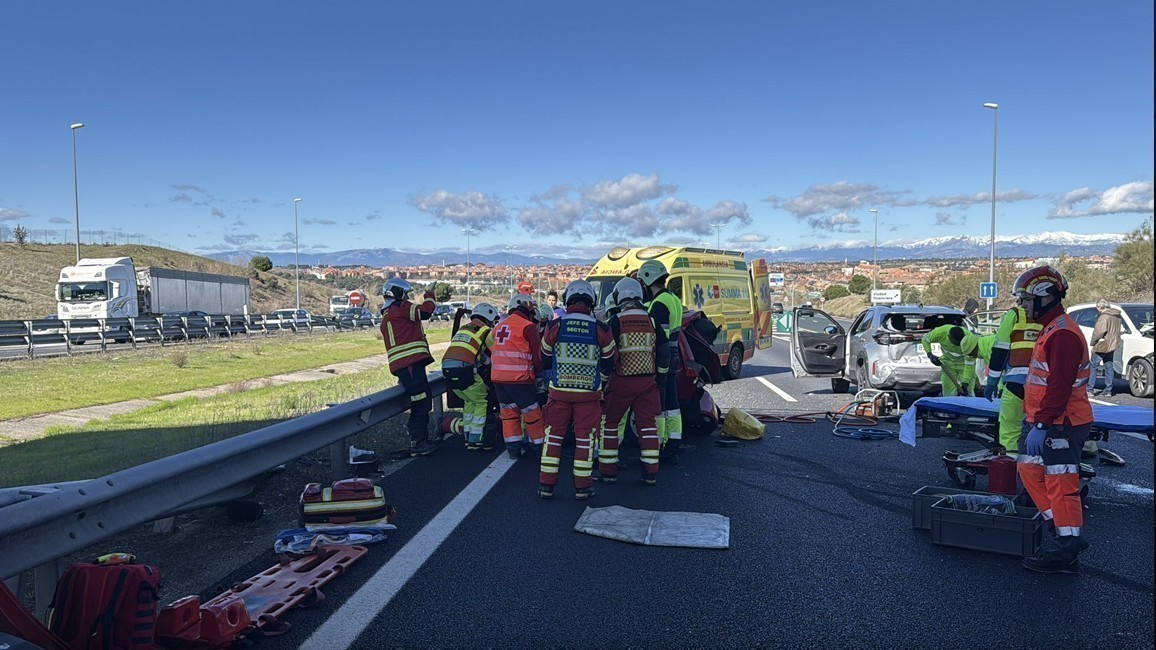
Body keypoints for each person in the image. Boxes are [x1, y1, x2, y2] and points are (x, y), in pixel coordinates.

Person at [1013, 266, 1093, 574]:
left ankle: (1067, 549)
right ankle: (1060, 530)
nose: (1022, 305)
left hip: (1062, 422)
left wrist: (1043, 424)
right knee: (1029, 470)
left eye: (1026, 299)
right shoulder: (1052, 328)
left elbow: (1059, 386)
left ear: (1045, 297)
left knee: (1061, 483)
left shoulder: (1061, 333)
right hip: (1044, 421)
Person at [537, 281, 616, 499]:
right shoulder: (601, 328)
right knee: (585, 440)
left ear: (567, 300)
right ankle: (582, 487)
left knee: (553, 437)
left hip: (558, 393)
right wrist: (600, 381)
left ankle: (546, 486)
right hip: (589, 397)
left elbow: (543, 358)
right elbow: (610, 361)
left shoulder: (555, 326)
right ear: (591, 302)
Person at [599, 277, 669, 486]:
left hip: (621, 381)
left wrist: (603, 383)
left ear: (619, 296)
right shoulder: (652, 320)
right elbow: (664, 353)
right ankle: (650, 472)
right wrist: (661, 379)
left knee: (610, 425)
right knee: (647, 427)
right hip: (648, 383)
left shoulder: (616, 321)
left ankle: (608, 471)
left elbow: (609, 354)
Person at [380, 278, 438, 457]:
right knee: (421, 401)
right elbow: (426, 312)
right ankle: (418, 442)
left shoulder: (388, 313)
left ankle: (422, 440)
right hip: (410, 363)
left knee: (420, 399)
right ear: (397, 293)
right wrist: (429, 294)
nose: (407, 297)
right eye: (405, 294)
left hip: (404, 365)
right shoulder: (402, 307)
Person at [487, 293, 547, 459]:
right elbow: (537, 356)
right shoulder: (528, 327)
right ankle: (539, 447)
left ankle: (513, 448)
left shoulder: (498, 326)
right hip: (520, 378)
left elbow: (493, 348)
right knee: (532, 413)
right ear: (530, 311)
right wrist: (539, 376)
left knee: (508, 413)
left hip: (498, 378)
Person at [638, 259, 683, 463]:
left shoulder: (659, 304)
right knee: (672, 403)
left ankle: (658, 443)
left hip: (662, 358)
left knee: (659, 404)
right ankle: (674, 442)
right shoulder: (672, 298)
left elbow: (660, 339)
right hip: (674, 355)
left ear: (648, 279)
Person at [983, 300, 1043, 455]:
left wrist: (992, 383)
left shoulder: (1014, 315)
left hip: (1016, 384)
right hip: (1043, 387)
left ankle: (1010, 471)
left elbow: (1000, 351)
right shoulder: (1052, 317)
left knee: (1010, 433)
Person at [441, 303, 500, 451]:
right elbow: (495, 350)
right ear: (489, 318)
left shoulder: (463, 329)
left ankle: (467, 437)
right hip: (464, 369)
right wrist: (493, 364)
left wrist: (485, 362)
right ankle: (475, 439)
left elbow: (475, 352)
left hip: (447, 368)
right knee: (481, 401)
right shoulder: (485, 330)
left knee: (469, 401)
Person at [921, 323, 977, 397]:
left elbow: (970, 364)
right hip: (948, 364)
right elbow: (925, 339)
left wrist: (965, 383)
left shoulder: (970, 340)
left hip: (964, 365)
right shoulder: (940, 332)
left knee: (968, 392)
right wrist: (930, 355)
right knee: (948, 392)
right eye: (956, 343)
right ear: (948, 337)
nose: (959, 345)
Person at [1087, 299, 1121, 397]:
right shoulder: (1116, 316)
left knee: (1093, 366)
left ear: (1099, 307)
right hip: (1112, 344)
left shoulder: (1104, 317)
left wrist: (1093, 342)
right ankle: (1108, 390)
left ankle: (1090, 389)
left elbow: (1098, 332)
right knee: (1109, 367)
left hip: (1102, 345)